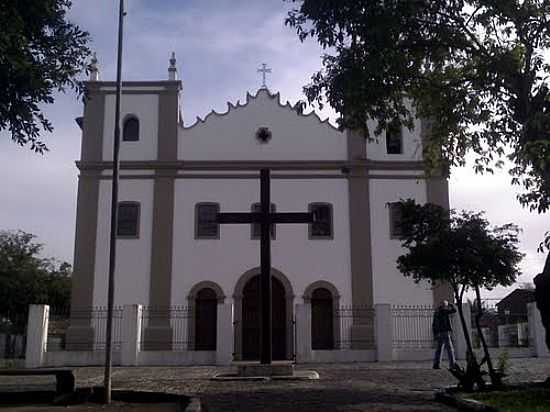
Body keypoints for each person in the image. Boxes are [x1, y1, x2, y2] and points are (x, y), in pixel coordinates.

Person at [432, 300, 457, 369]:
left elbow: (433, 324)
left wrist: (435, 333)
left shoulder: (436, 312)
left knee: (439, 349)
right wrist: (451, 304)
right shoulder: (444, 311)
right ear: (444, 306)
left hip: (439, 333)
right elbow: (454, 310)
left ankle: (436, 364)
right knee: (450, 349)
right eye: (446, 306)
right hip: (445, 332)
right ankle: (452, 364)